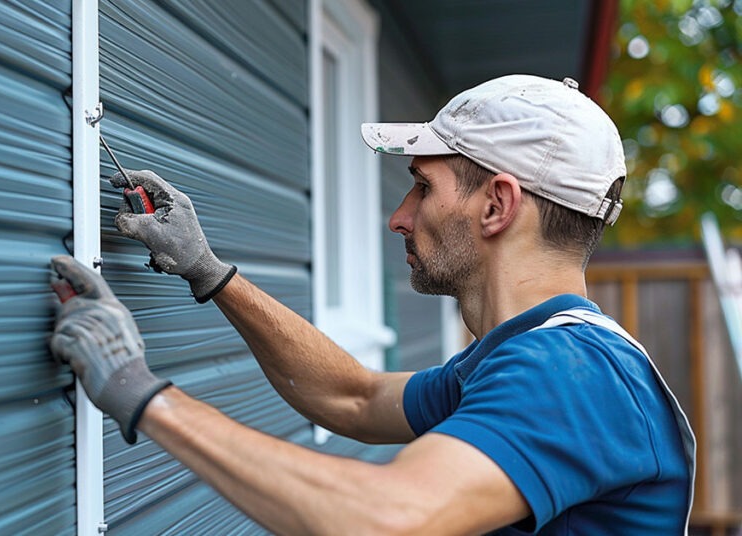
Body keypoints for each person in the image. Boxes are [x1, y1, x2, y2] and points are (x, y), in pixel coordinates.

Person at [48, 74, 695, 534]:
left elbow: (384, 519)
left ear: (497, 205)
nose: (399, 217)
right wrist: (209, 272)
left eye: (423, 187)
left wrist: (140, 393)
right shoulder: (523, 356)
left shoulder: (571, 374)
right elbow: (351, 398)